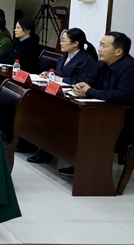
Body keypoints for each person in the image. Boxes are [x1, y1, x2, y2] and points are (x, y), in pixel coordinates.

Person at [65, 32, 134, 176]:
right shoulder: (102, 63)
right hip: (104, 115)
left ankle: (91, 173)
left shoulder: (131, 68)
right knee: (71, 121)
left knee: (88, 129)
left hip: (127, 121)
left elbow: (123, 95)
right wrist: (81, 86)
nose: (99, 49)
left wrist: (89, 91)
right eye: (100, 45)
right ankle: (78, 165)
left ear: (118, 51)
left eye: (104, 46)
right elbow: (89, 81)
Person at [27, 28, 100, 165]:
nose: (60, 43)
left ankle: (48, 152)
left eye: (64, 40)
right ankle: (40, 146)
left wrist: (61, 79)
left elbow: (82, 82)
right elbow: (57, 72)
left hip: (72, 98)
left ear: (75, 43)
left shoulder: (86, 60)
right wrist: (48, 73)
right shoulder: (65, 56)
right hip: (58, 93)